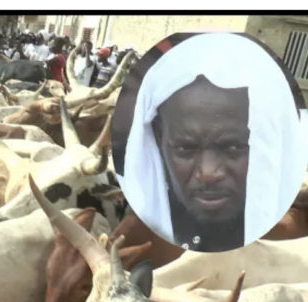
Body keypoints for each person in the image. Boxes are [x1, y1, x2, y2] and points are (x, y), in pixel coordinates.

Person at [116, 32, 307, 252]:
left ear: (269, 145)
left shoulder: (293, 239)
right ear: (159, 139)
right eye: (186, 148)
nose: (208, 173)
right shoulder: (133, 241)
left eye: (234, 147)